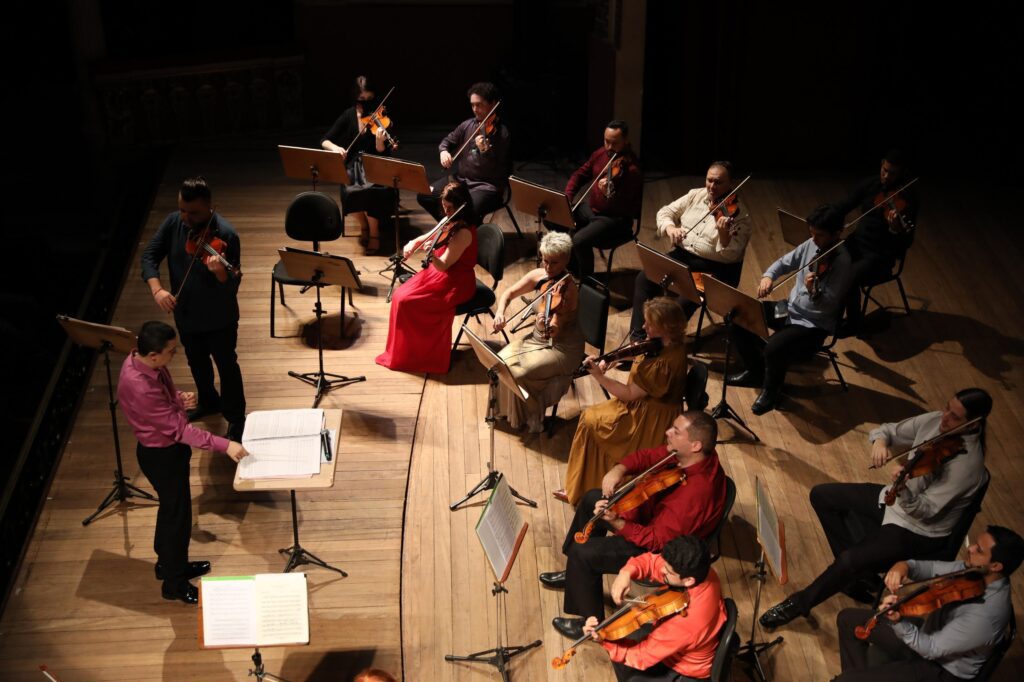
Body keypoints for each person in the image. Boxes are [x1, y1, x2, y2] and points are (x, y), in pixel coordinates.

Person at [759, 388, 993, 631]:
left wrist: (903, 487)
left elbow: (926, 511)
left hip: (919, 529)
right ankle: (855, 576)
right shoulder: (936, 421)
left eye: (955, 417)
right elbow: (887, 430)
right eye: (947, 408)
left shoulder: (967, 467)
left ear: (973, 423)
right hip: (894, 498)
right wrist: (881, 443)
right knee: (822, 495)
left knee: (850, 559)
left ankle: (799, 603)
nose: (944, 418)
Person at [540, 412, 727, 641]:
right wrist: (619, 469)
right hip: (655, 520)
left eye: (676, 432)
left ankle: (591, 625)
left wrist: (617, 522)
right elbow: (649, 456)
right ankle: (574, 575)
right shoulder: (689, 454)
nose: (668, 432)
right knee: (591, 499)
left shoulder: (695, 495)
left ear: (696, 445)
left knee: (585, 552)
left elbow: (656, 541)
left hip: (660, 548)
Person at [117, 321, 248, 604]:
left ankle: (167, 564)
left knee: (172, 511)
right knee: (177, 518)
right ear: (153, 355)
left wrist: (178, 400)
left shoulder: (141, 363)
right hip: (162, 455)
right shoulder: (140, 386)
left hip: (164, 451)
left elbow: (164, 404)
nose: (173, 355)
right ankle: (174, 585)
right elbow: (179, 431)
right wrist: (226, 445)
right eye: (171, 351)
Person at [832, 525, 1023, 681]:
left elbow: (931, 648)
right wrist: (904, 566)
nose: (970, 548)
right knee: (847, 620)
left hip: (939, 670)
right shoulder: (976, 572)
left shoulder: (987, 615)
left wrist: (899, 622)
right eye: (974, 543)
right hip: (927, 635)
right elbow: (931, 567)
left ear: (996, 566)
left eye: (979, 550)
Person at [142, 176, 247, 442]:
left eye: (194, 213)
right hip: (186, 313)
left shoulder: (226, 235)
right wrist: (158, 289)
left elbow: (231, 289)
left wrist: (221, 274)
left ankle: (236, 418)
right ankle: (209, 401)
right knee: (197, 362)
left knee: (226, 366)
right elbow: (150, 255)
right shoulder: (173, 222)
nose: (186, 218)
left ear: (209, 206)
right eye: (182, 210)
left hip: (219, 317)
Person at [558, 297, 688, 505]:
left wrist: (599, 377)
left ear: (665, 327)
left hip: (649, 419)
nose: (644, 326)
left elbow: (628, 393)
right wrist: (614, 357)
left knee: (591, 421)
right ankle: (581, 485)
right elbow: (641, 352)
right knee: (590, 418)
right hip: (644, 407)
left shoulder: (663, 364)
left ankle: (584, 489)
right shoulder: (667, 343)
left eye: (650, 324)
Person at [726, 204, 852, 415]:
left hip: (813, 324)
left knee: (774, 348)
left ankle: (771, 391)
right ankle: (755, 371)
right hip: (790, 308)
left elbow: (829, 305)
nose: (813, 240)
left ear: (837, 234)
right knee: (737, 315)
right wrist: (768, 276)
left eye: (819, 235)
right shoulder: (812, 245)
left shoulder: (843, 262)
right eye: (811, 233)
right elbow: (784, 263)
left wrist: (814, 291)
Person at [582, 536, 729, 682]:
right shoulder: (702, 571)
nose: (662, 570)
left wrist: (603, 639)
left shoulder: (687, 622)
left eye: (668, 571)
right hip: (690, 642)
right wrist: (626, 572)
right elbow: (653, 562)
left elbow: (639, 656)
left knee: (630, 671)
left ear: (688, 580)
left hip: (685, 671)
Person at [630, 161, 752, 334]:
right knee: (644, 277)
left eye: (718, 182)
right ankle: (637, 338)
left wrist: (723, 234)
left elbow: (731, 255)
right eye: (709, 180)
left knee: (684, 302)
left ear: (731, 184)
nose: (712, 187)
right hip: (684, 258)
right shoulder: (696, 195)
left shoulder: (739, 216)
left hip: (714, 272)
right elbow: (665, 212)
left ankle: (663, 344)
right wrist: (671, 228)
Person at [376, 182, 477, 374]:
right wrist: (412, 243)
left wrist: (431, 255)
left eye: (449, 208)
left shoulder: (463, 232)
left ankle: (421, 356)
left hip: (455, 281)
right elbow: (430, 234)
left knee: (407, 302)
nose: (446, 211)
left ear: (461, 206)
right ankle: (406, 352)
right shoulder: (450, 220)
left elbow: (444, 264)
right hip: (438, 273)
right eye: (444, 206)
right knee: (399, 297)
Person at [492, 231, 584, 433]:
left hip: (561, 347)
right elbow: (509, 293)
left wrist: (545, 325)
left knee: (519, 371)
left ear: (566, 259)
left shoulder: (569, 291)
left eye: (554, 263)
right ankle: (507, 412)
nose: (548, 268)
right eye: (545, 261)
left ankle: (532, 416)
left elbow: (555, 330)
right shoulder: (540, 275)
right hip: (536, 338)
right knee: (499, 362)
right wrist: (500, 313)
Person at [833, 150, 919, 335]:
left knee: (849, 275)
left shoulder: (907, 198)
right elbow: (844, 205)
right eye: (884, 170)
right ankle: (827, 310)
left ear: (902, 173)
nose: (886, 176)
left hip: (880, 255)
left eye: (893, 173)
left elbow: (906, 242)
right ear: (881, 164)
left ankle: (852, 322)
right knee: (827, 257)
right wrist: (824, 219)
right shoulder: (871, 184)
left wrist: (895, 229)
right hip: (857, 243)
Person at [548, 120, 642, 278]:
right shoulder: (600, 154)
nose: (609, 147)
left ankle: (587, 281)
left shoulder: (632, 170)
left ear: (626, 141)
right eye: (606, 141)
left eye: (615, 143)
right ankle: (572, 268)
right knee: (554, 216)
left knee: (579, 240)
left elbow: (628, 208)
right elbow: (579, 175)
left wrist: (609, 195)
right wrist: (568, 198)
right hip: (591, 211)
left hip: (614, 219)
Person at [321, 75, 397, 255]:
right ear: (355, 97)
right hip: (353, 164)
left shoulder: (381, 116)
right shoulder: (348, 115)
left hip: (375, 163)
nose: (367, 104)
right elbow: (325, 140)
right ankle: (364, 225)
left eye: (370, 99)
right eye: (362, 99)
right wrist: (336, 148)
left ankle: (375, 233)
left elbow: (384, 153)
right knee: (349, 192)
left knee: (373, 189)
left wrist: (379, 142)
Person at [417, 82, 510, 223]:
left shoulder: (502, 133)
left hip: (486, 186)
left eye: (479, 105)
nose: (475, 109)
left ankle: (464, 230)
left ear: (493, 104)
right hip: (461, 181)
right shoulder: (467, 125)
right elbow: (447, 141)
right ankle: (451, 225)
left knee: (468, 210)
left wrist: (485, 151)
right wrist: (444, 152)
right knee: (425, 194)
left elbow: (499, 168)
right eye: (472, 105)